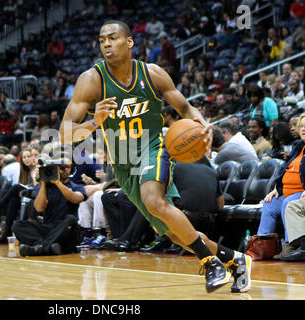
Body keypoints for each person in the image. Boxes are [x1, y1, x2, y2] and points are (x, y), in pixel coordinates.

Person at [59, 20, 252, 293]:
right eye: (102, 40)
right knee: (174, 232)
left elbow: (185, 108)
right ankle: (234, 259)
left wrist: (203, 125)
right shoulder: (91, 80)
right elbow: (64, 133)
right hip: (122, 160)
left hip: (153, 147)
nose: (106, 44)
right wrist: (93, 122)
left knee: (154, 200)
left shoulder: (152, 74)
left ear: (129, 42)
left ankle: (209, 263)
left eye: (112, 38)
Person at [13, 155, 87, 256]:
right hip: (48, 228)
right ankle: (49, 247)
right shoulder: (44, 187)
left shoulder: (76, 186)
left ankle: (38, 248)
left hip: (67, 230)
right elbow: (39, 208)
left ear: (71, 169)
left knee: (71, 219)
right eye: (61, 167)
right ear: (55, 168)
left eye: (68, 167)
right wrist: (43, 183)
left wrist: (57, 182)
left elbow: (76, 199)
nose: (65, 169)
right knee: (17, 225)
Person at [257, 114, 305, 258]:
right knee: (269, 204)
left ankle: (291, 245)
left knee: (287, 203)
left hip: (300, 192)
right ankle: (263, 245)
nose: (303, 129)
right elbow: (284, 169)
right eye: (301, 126)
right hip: (286, 191)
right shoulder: (298, 146)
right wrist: (275, 189)